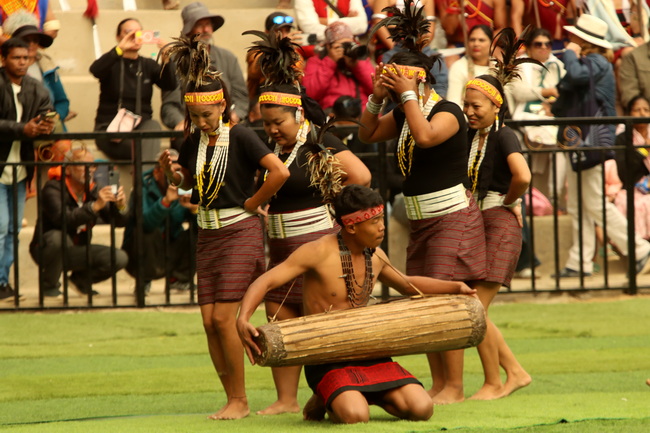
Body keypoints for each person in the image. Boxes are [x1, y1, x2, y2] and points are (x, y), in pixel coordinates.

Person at [237, 185, 477, 424]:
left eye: (381, 219)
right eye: (374, 221)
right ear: (351, 226)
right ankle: (327, 396)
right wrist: (243, 318)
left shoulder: (376, 255)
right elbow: (265, 282)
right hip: (326, 355)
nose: (382, 226)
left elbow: (407, 284)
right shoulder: (317, 251)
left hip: (367, 348)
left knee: (422, 408)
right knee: (355, 415)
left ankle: (350, 395)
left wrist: (455, 287)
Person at [358, 1, 487, 404]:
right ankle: (439, 383)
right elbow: (366, 134)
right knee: (422, 298)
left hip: (451, 217)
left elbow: (427, 136)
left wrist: (407, 95)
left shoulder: (449, 112)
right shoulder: (405, 112)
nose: (394, 85)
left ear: (420, 80)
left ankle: (455, 387)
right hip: (421, 221)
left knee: (444, 302)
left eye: (398, 77)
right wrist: (377, 98)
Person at [159, 36, 289, 420]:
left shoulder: (242, 135)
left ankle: (240, 400)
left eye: (207, 114)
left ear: (222, 105)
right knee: (208, 321)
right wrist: (172, 173)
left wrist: (252, 202)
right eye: (194, 115)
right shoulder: (194, 140)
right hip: (208, 234)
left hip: (239, 232)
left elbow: (278, 172)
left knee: (222, 318)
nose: (201, 122)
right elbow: (188, 184)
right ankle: (231, 397)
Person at [247, 28, 371, 415]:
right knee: (278, 313)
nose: (271, 129)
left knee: (321, 320)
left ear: (298, 114)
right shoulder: (270, 146)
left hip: (317, 242)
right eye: (266, 123)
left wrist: (332, 201)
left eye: (278, 122)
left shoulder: (319, 142)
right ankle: (286, 399)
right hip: (280, 245)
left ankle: (337, 388)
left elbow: (361, 176)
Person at [462, 28, 533, 400]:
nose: (470, 111)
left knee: (475, 309)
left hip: (499, 223)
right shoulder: (473, 137)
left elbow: (523, 176)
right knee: (476, 309)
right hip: (483, 224)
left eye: (477, 106)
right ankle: (514, 373)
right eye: (467, 105)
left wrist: (508, 202)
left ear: (496, 106)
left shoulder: (504, 135)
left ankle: (496, 381)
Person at [552, 14, 650, 278]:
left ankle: (640, 250)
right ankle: (579, 262)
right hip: (578, 141)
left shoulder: (597, 62)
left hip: (591, 141)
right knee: (578, 204)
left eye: (574, 36)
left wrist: (570, 53)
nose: (569, 39)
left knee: (595, 202)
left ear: (584, 40)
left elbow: (575, 75)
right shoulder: (588, 62)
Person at [29, 147, 129, 297]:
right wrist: (93, 207)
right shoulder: (53, 188)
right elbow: (62, 220)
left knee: (119, 258)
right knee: (58, 238)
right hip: (47, 249)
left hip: (77, 250)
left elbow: (118, 222)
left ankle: (80, 281)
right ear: (68, 169)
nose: (89, 169)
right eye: (82, 164)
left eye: (93, 165)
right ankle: (48, 286)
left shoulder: (94, 190)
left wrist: (120, 205)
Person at [0, 38, 54, 301]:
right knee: (1, 228)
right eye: (16, 58)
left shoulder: (35, 87)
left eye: (26, 58)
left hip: (20, 169)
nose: (22, 62)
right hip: (2, 168)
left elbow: (47, 111)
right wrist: (23, 128)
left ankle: (2, 282)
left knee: (13, 230)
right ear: (4, 59)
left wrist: (46, 126)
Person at [90, 18, 177, 165]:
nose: (134, 37)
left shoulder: (148, 64)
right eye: (129, 32)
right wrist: (119, 49)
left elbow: (169, 85)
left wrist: (167, 61)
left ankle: (144, 178)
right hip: (110, 130)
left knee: (153, 127)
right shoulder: (111, 61)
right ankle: (147, 178)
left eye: (139, 33)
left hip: (140, 128)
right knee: (142, 146)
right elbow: (95, 70)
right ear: (118, 37)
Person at [160, 1, 249, 144]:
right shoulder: (176, 60)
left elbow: (241, 98)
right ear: (189, 30)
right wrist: (180, 122)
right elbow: (170, 104)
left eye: (208, 24)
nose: (206, 29)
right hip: (191, 128)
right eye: (200, 25)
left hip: (225, 126)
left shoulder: (228, 58)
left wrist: (234, 116)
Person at [121, 149, 197, 294]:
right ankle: (144, 280)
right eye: (170, 171)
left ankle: (179, 280)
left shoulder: (186, 184)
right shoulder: (142, 186)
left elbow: (201, 227)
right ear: (157, 173)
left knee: (199, 233)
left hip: (171, 246)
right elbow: (145, 223)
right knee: (146, 230)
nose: (175, 176)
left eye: (179, 171)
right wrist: (165, 201)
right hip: (142, 251)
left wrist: (194, 209)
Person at [507, 28, 566, 204]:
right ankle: (524, 199)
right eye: (538, 44)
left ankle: (554, 198)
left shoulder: (558, 65)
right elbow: (520, 92)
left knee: (562, 148)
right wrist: (548, 91)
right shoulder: (519, 65)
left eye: (548, 44)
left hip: (552, 118)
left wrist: (553, 104)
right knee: (520, 147)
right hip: (523, 119)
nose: (544, 48)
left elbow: (566, 94)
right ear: (529, 47)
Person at [246, 11, 303, 126]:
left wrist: (287, 52)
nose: (284, 35)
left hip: (288, 96)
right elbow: (254, 71)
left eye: (287, 31)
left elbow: (298, 76)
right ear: (267, 33)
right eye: (279, 31)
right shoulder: (256, 52)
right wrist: (276, 48)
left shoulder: (295, 54)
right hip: (262, 97)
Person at [303, 21, 374, 112]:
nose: (346, 49)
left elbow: (376, 89)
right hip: (332, 112)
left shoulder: (360, 60)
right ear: (328, 46)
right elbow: (310, 94)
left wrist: (356, 66)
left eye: (349, 45)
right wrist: (330, 61)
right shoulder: (316, 62)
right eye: (342, 46)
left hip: (361, 111)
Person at [606, 95, 650, 240]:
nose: (642, 113)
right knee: (633, 204)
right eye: (637, 110)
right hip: (632, 188)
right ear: (629, 113)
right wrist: (643, 151)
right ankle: (638, 246)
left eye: (646, 110)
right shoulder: (623, 138)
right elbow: (624, 172)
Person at [447, 24, 495, 108]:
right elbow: (453, 103)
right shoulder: (458, 67)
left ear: (492, 44)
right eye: (472, 40)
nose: (476, 44)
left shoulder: (498, 68)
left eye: (481, 40)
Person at [436, 0, 505, 48]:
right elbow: (449, 30)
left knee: (500, 60)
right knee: (450, 61)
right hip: (459, 46)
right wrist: (455, 5)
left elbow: (501, 29)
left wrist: (484, 43)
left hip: (487, 44)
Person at [295, 0, 369, 42]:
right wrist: (348, 21)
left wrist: (326, 22)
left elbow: (362, 25)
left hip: (349, 47)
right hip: (319, 49)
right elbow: (310, 29)